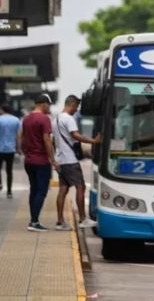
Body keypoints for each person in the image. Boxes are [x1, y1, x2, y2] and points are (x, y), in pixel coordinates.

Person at [53, 96, 101, 230]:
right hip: (70, 160)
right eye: (76, 107)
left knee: (63, 189)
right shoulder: (69, 119)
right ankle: (83, 219)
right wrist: (94, 141)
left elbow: (54, 140)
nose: (76, 110)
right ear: (71, 104)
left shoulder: (55, 119)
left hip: (61, 160)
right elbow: (75, 136)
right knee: (81, 187)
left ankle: (60, 222)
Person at [22, 94, 58, 231]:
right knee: (41, 191)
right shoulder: (44, 119)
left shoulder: (26, 119)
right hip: (41, 160)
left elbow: (22, 139)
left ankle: (33, 220)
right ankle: (34, 222)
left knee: (34, 189)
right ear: (43, 104)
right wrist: (53, 160)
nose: (49, 107)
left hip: (29, 160)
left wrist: (26, 153)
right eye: (48, 105)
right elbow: (47, 140)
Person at [0, 105, 21, 199]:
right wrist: (18, 148)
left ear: (2, 110)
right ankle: (9, 192)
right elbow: (18, 136)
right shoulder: (16, 120)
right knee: (9, 171)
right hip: (10, 149)